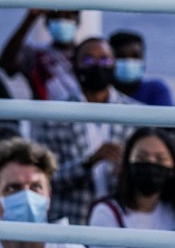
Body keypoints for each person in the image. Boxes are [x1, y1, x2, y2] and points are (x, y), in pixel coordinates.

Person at [31, 37, 137, 225]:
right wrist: (88, 163)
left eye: (104, 60)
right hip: (71, 223)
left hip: (122, 224)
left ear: (114, 65)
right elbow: (42, 179)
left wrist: (130, 172)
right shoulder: (52, 116)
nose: (97, 66)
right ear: (74, 66)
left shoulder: (136, 114)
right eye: (88, 60)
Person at [0, 8, 82, 101]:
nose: (62, 22)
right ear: (46, 23)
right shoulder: (36, 53)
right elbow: (6, 64)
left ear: (78, 21)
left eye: (68, 17)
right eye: (56, 17)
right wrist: (30, 18)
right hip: (43, 114)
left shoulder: (88, 55)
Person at [108, 30, 174, 106]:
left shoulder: (156, 90)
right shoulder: (100, 92)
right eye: (121, 56)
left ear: (143, 58)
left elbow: (172, 116)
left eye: (135, 56)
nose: (129, 61)